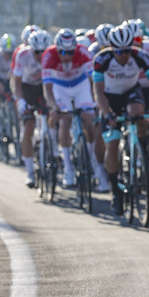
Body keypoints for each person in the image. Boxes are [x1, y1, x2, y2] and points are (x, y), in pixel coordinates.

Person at [92, 24, 149, 214]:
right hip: (109, 98)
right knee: (112, 145)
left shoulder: (141, 56)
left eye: (127, 50)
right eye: (119, 52)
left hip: (130, 92)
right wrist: (108, 114)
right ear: (111, 48)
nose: (123, 55)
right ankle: (115, 192)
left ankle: (143, 154)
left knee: (138, 111)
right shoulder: (101, 60)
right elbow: (99, 93)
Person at [41, 28, 100, 189]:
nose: (66, 56)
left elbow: (93, 81)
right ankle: (68, 168)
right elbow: (47, 88)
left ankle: (90, 159)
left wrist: (95, 103)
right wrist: (53, 107)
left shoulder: (83, 52)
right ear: (57, 48)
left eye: (70, 52)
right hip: (60, 87)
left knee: (88, 118)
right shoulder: (48, 55)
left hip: (80, 85)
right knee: (65, 120)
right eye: (63, 52)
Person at [12, 29, 51, 188]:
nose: (40, 55)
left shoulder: (51, 55)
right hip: (26, 88)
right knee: (27, 128)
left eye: (44, 52)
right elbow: (16, 82)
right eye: (37, 52)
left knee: (52, 121)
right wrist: (20, 100)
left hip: (44, 87)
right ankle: (29, 172)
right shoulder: (23, 54)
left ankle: (52, 151)